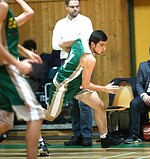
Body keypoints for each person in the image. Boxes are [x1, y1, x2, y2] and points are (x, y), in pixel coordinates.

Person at [46, 30, 124, 148]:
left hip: (76, 84)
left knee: (99, 106)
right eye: (101, 45)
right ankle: (31, 113)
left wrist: (72, 58)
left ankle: (105, 138)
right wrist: (104, 88)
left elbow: (61, 43)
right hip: (63, 85)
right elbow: (86, 84)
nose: (104, 49)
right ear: (93, 44)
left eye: (105, 45)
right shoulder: (90, 59)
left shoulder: (81, 40)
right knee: (50, 117)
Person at [0, 0, 46, 158]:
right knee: (36, 114)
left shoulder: (5, 8)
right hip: (6, 69)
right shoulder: (2, 7)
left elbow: (5, 38)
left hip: (6, 67)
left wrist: (26, 53)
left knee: (5, 123)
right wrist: (18, 65)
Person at [52, 0, 93, 146]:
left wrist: (66, 42)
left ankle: (87, 135)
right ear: (66, 7)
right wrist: (75, 41)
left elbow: (85, 41)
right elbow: (55, 45)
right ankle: (77, 135)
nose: (75, 9)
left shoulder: (85, 21)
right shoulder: (60, 24)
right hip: (66, 63)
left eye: (77, 6)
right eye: (72, 6)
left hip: (82, 62)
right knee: (71, 101)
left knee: (84, 100)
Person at [22, 39, 50, 156]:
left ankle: (40, 143)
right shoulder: (19, 61)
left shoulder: (38, 63)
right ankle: (40, 143)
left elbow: (33, 73)